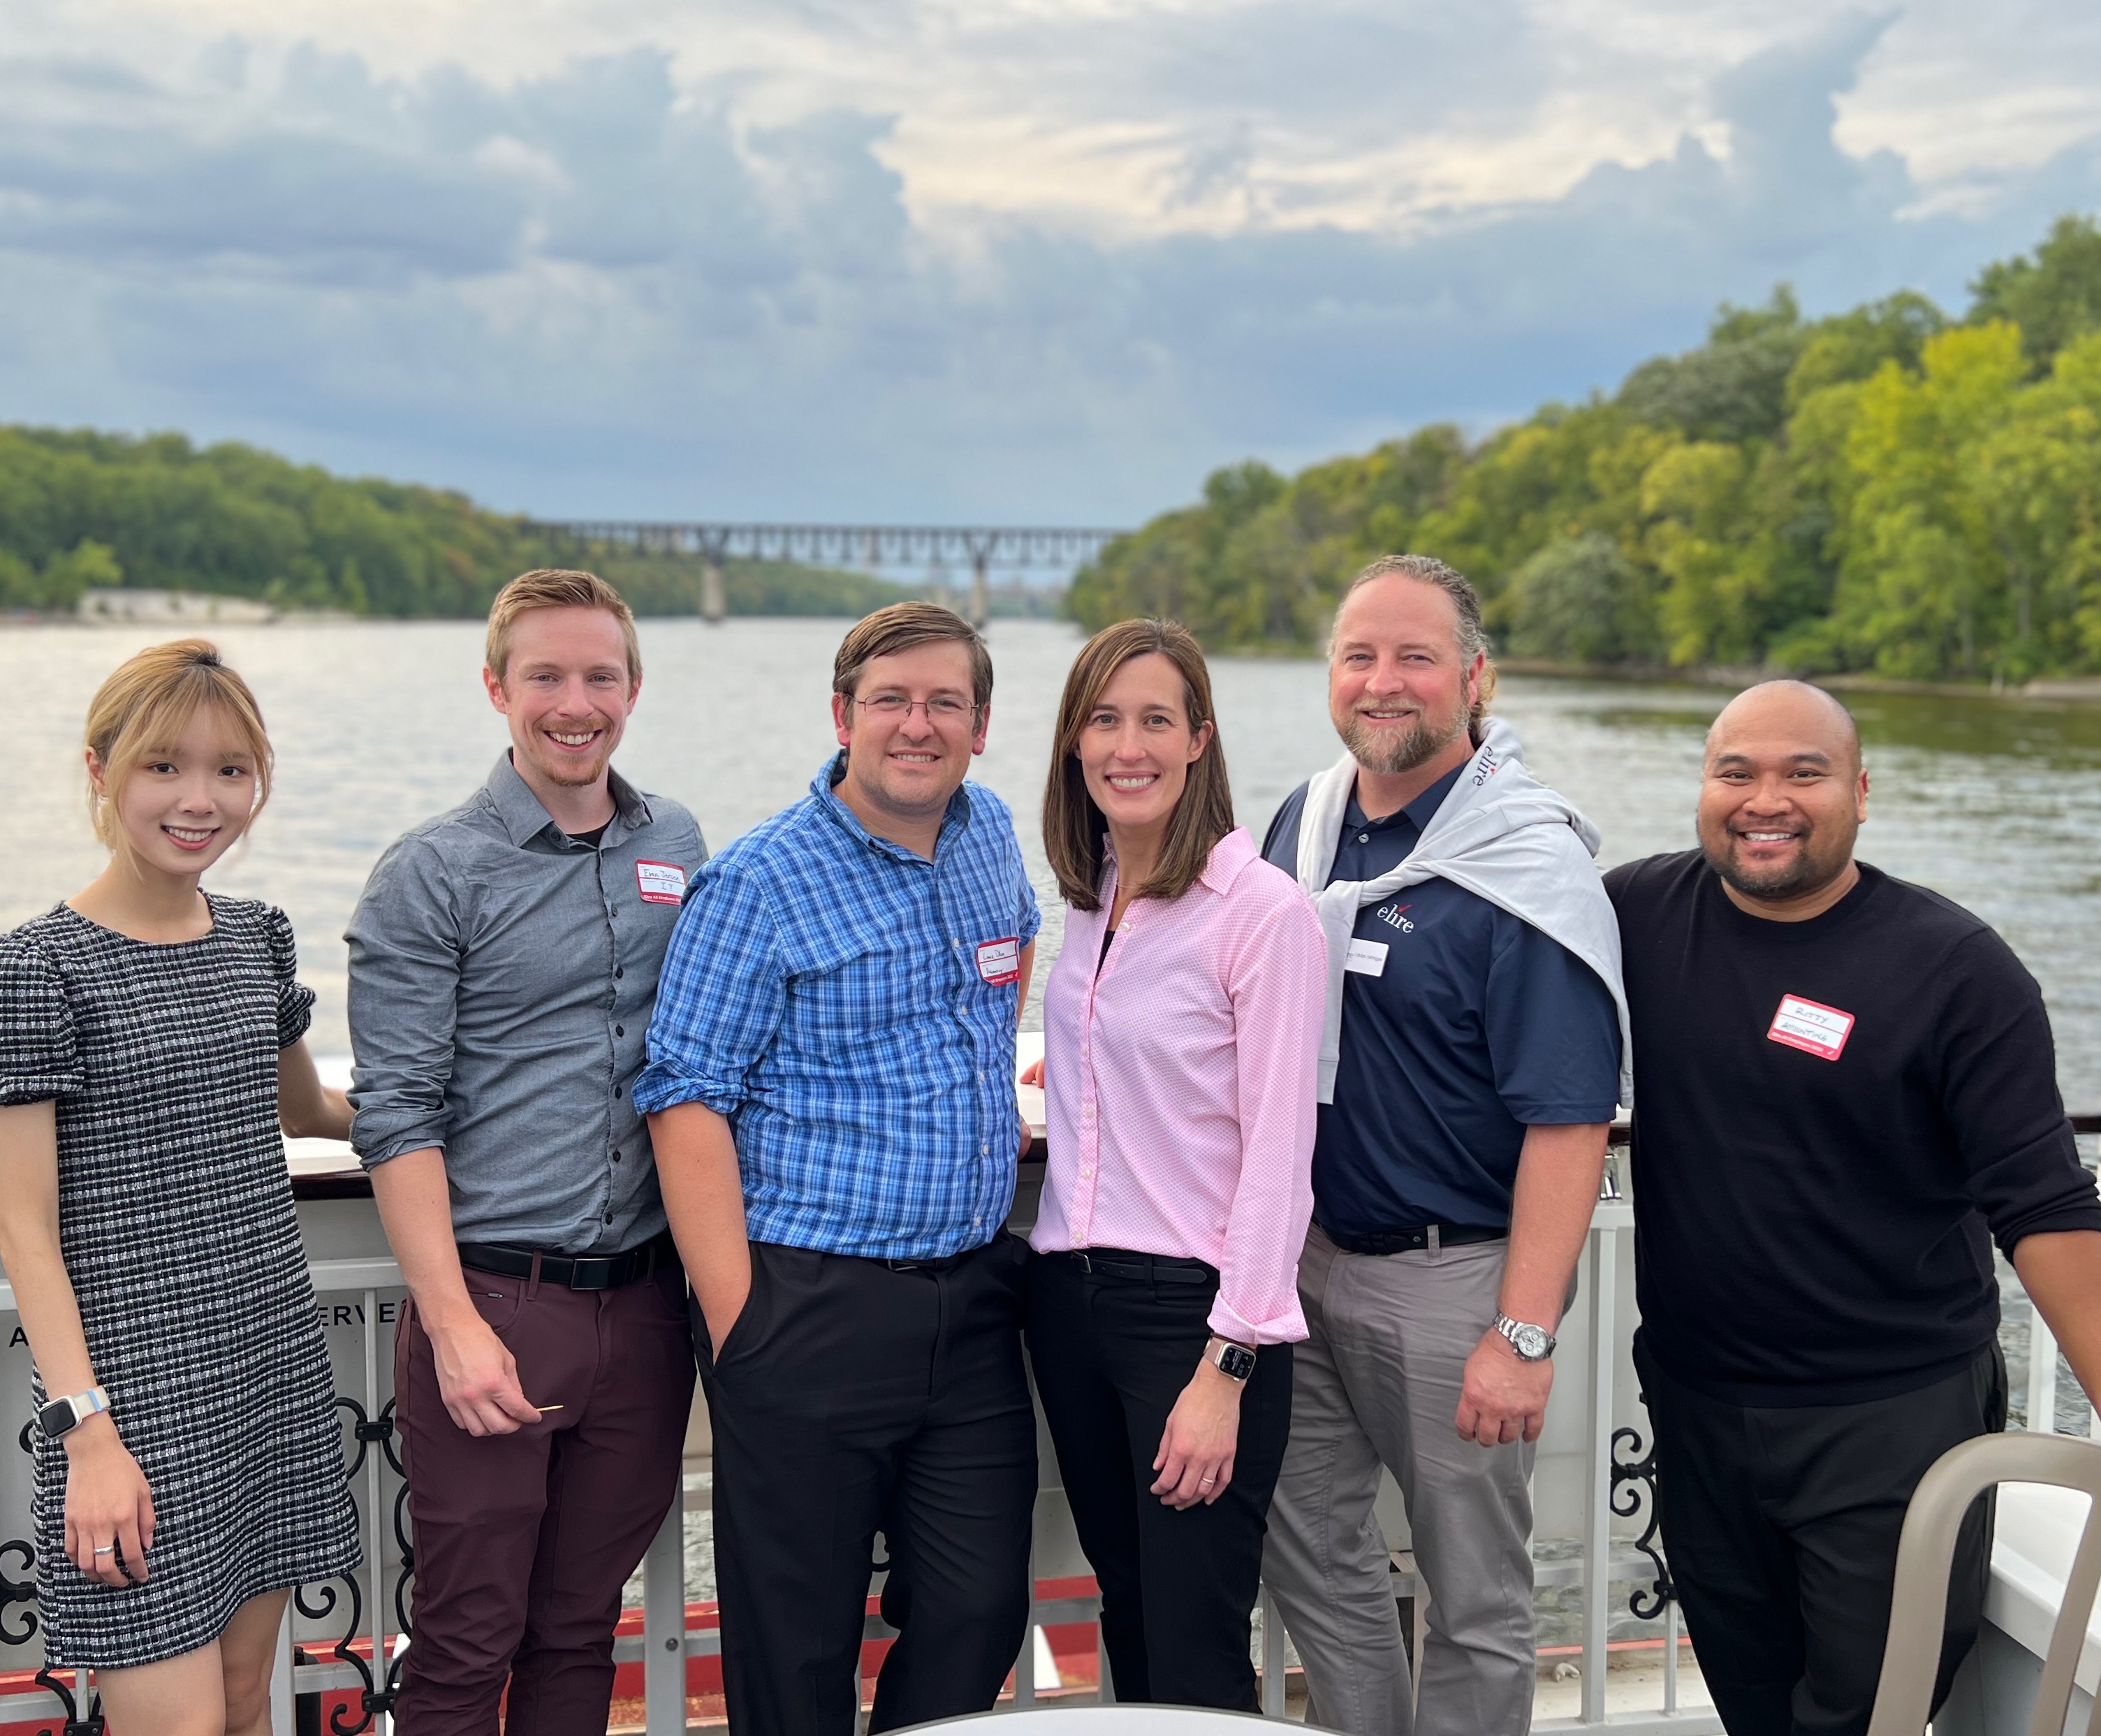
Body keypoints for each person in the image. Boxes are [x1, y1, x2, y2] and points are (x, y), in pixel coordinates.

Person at [1605, 678, 2101, 1736]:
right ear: (1703, 786)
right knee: (1751, 1693)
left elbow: (2044, 1199)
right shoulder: (1633, 916)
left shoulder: (1955, 970)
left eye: (1805, 771)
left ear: (1862, 791)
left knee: (1870, 1705)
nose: (1766, 799)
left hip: (1890, 1420)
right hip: (1699, 1400)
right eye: (1735, 771)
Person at [0, 639, 360, 1735]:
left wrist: (476, 1121)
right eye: (165, 766)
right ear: (100, 770)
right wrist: (89, 1437)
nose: (200, 798)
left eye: (231, 770)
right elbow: (24, 1231)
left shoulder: (255, 940)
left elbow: (306, 1113)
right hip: (130, 1405)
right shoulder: (29, 971)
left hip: (266, 1368)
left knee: (242, 1702)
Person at [638, 601, 1041, 1736]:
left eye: (944, 702)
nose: (918, 725)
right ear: (842, 714)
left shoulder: (991, 832)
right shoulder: (760, 881)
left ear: (980, 721)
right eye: (891, 701)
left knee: (976, 1608)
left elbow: (996, 987)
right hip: (807, 1302)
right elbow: (684, 1096)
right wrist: (741, 1323)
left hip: (970, 1303)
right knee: (797, 1641)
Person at [1258, 555, 1630, 1736]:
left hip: (1455, 1281)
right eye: (1360, 655)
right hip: (1303, 1264)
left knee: (1475, 1595)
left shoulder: (1524, 864)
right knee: (1311, 1548)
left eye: (1415, 656)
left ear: (1475, 678)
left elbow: (1571, 1115)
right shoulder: (1304, 826)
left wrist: (1521, 1334)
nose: (1384, 681)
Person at [346, 569, 706, 1735]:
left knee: (575, 1632)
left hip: (646, 1308)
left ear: (634, 689)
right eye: (545, 675)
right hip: (497, 1300)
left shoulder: (682, 844)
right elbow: (397, 1111)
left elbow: (727, 1036)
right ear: (497, 687)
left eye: (600, 675)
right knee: (463, 1641)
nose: (574, 701)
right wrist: (451, 1326)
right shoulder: (432, 872)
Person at [1022, 618, 1326, 1709]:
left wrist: (1226, 1364)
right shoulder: (1089, 891)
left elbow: (1281, 1157)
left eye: (1155, 719)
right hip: (1068, 1297)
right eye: (1102, 719)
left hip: (1192, 1322)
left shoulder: (1262, 913)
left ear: (1200, 739)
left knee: (1197, 1642)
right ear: (1072, 741)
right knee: (1130, 1611)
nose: (1127, 744)